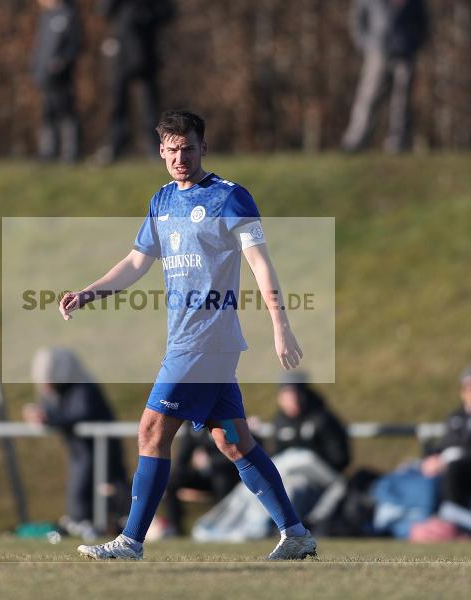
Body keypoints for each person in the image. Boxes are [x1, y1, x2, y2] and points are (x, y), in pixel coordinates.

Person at [61, 110, 316, 560]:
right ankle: (295, 533)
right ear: (161, 151)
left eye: (189, 148)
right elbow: (136, 263)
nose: (181, 157)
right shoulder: (161, 201)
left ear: (204, 147)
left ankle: (131, 541)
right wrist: (89, 292)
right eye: (172, 149)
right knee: (233, 440)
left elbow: (260, 263)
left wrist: (281, 324)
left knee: (151, 432)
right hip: (188, 341)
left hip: (205, 340)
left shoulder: (230, 198)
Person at [24, 347, 128, 538]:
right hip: (80, 451)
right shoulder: (59, 390)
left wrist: (47, 418)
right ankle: (83, 523)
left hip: (100, 451)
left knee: (109, 489)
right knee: (80, 492)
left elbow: (79, 414)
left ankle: (116, 525)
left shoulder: (84, 388)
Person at [341, 0, 428, 153]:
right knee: (367, 99)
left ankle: (398, 143)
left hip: (405, 54)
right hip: (377, 53)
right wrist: (368, 45)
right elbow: (357, 22)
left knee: (401, 103)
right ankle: (356, 140)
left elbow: (423, 25)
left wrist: (411, 44)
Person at [94, 0, 174, 163]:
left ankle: (154, 147)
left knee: (148, 104)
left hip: (145, 51)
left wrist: (146, 15)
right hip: (120, 52)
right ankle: (114, 146)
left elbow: (168, 12)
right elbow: (102, 10)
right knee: (117, 102)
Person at [421, 364, 471, 509]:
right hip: (445, 465)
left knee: (452, 471)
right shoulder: (456, 416)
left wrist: (446, 461)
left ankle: (454, 520)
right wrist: (430, 458)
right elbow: (443, 444)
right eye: (468, 386)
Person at [162, 423, 240, 537]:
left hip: (225, 475)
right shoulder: (193, 423)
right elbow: (183, 457)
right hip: (202, 476)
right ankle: (175, 529)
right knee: (171, 482)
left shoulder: (227, 419)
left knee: (222, 481)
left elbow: (236, 453)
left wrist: (210, 462)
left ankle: (221, 527)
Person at [30, 0, 82, 163]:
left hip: (62, 77)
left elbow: (75, 45)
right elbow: (41, 47)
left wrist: (62, 63)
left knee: (65, 112)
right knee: (47, 114)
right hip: (45, 76)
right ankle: (48, 151)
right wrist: (35, 66)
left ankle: (70, 152)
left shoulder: (69, 15)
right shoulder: (45, 17)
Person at [272, 371, 350, 473]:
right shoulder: (279, 422)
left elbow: (339, 457)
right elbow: (275, 455)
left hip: (321, 477)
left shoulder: (322, 420)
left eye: (295, 394)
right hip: (288, 474)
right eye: (286, 395)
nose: (291, 400)